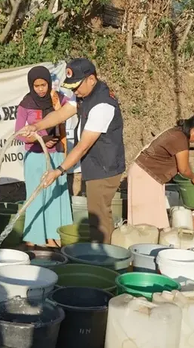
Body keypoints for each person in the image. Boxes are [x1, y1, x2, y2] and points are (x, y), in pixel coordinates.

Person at [21, 58, 125, 244]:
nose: (74, 91)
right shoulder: (84, 94)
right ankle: (98, 254)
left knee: (98, 217)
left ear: (91, 80)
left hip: (104, 167)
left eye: (77, 86)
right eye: (72, 87)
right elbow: (61, 114)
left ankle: (103, 260)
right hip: (94, 163)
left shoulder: (102, 105)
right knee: (95, 214)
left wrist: (58, 171)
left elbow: (83, 146)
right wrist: (36, 126)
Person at [15, 66, 74, 248]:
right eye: (37, 85)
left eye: (44, 84)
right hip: (34, 155)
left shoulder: (58, 99)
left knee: (55, 196)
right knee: (36, 195)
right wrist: (41, 138)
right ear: (31, 85)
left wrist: (53, 140)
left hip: (56, 155)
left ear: (49, 83)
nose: (41, 89)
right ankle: (33, 236)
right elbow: (18, 133)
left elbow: (71, 110)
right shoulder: (25, 104)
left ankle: (53, 236)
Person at [128, 115, 194, 228]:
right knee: (145, 220)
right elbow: (184, 169)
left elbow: (184, 163)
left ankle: (150, 243)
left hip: (151, 175)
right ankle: (141, 243)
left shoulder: (179, 133)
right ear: (193, 129)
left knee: (155, 217)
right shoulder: (179, 138)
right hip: (145, 174)